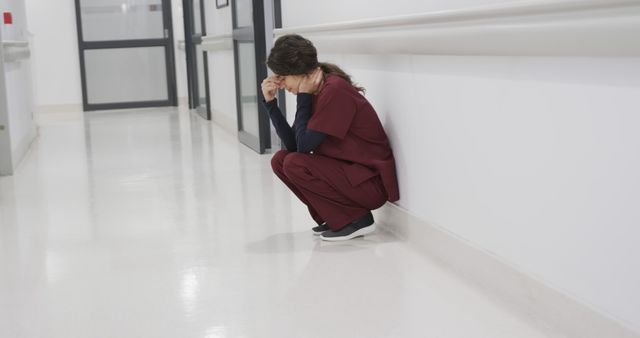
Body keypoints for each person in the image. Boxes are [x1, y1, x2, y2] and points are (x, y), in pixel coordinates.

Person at [261, 34, 399, 241]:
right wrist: (271, 104)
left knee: (294, 163)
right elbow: (292, 144)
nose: (279, 84)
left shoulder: (334, 91)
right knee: (280, 160)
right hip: (351, 177)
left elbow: (303, 147)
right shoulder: (319, 91)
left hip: (369, 185)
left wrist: (303, 97)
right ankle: (335, 216)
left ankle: (357, 219)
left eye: (282, 77)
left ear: (298, 73)